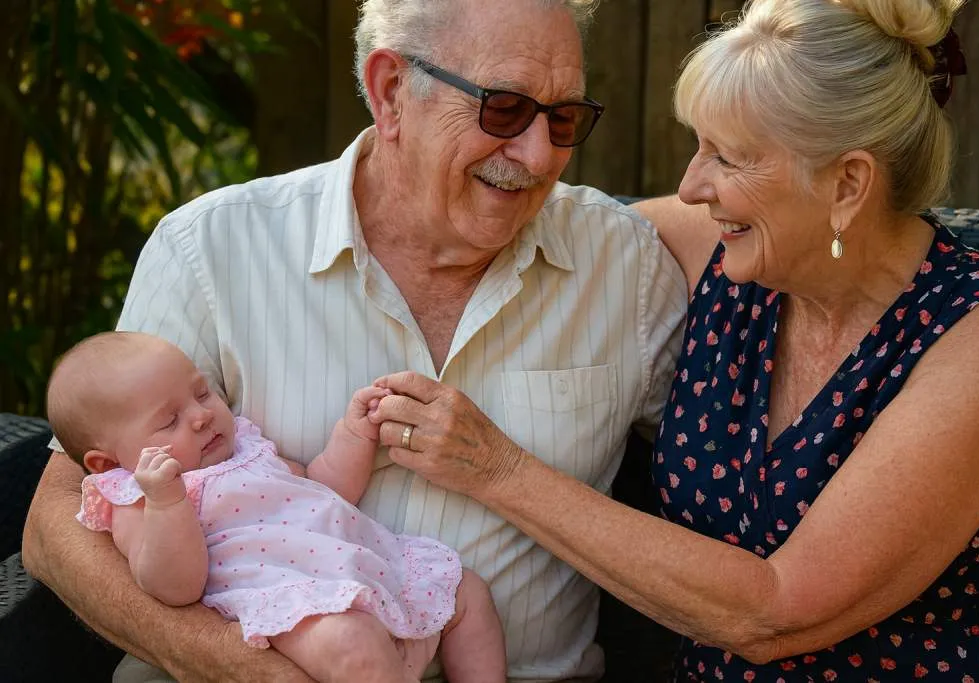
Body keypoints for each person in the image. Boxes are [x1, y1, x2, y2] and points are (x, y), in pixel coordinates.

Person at [21, 0, 689, 681]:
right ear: (391, 91)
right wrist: (250, 668)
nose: (541, 155)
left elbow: (731, 532)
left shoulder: (626, 270)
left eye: (564, 117)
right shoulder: (211, 251)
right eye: (505, 109)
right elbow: (56, 520)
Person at [366, 0, 979, 681]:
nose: (690, 185)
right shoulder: (720, 248)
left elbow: (778, 611)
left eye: (729, 158)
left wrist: (499, 469)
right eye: (697, 146)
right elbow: (534, 213)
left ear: (848, 183)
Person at [46, 331, 506, 683]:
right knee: (352, 646)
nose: (201, 414)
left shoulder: (245, 446)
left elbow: (322, 487)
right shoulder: (135, 497)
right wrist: (168, 504)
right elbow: (175, 586)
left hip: (374, 571)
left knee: (467, 590)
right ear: (107, 462)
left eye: (202, 393)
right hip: (297, 604)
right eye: (169, 420)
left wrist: (352, 436)